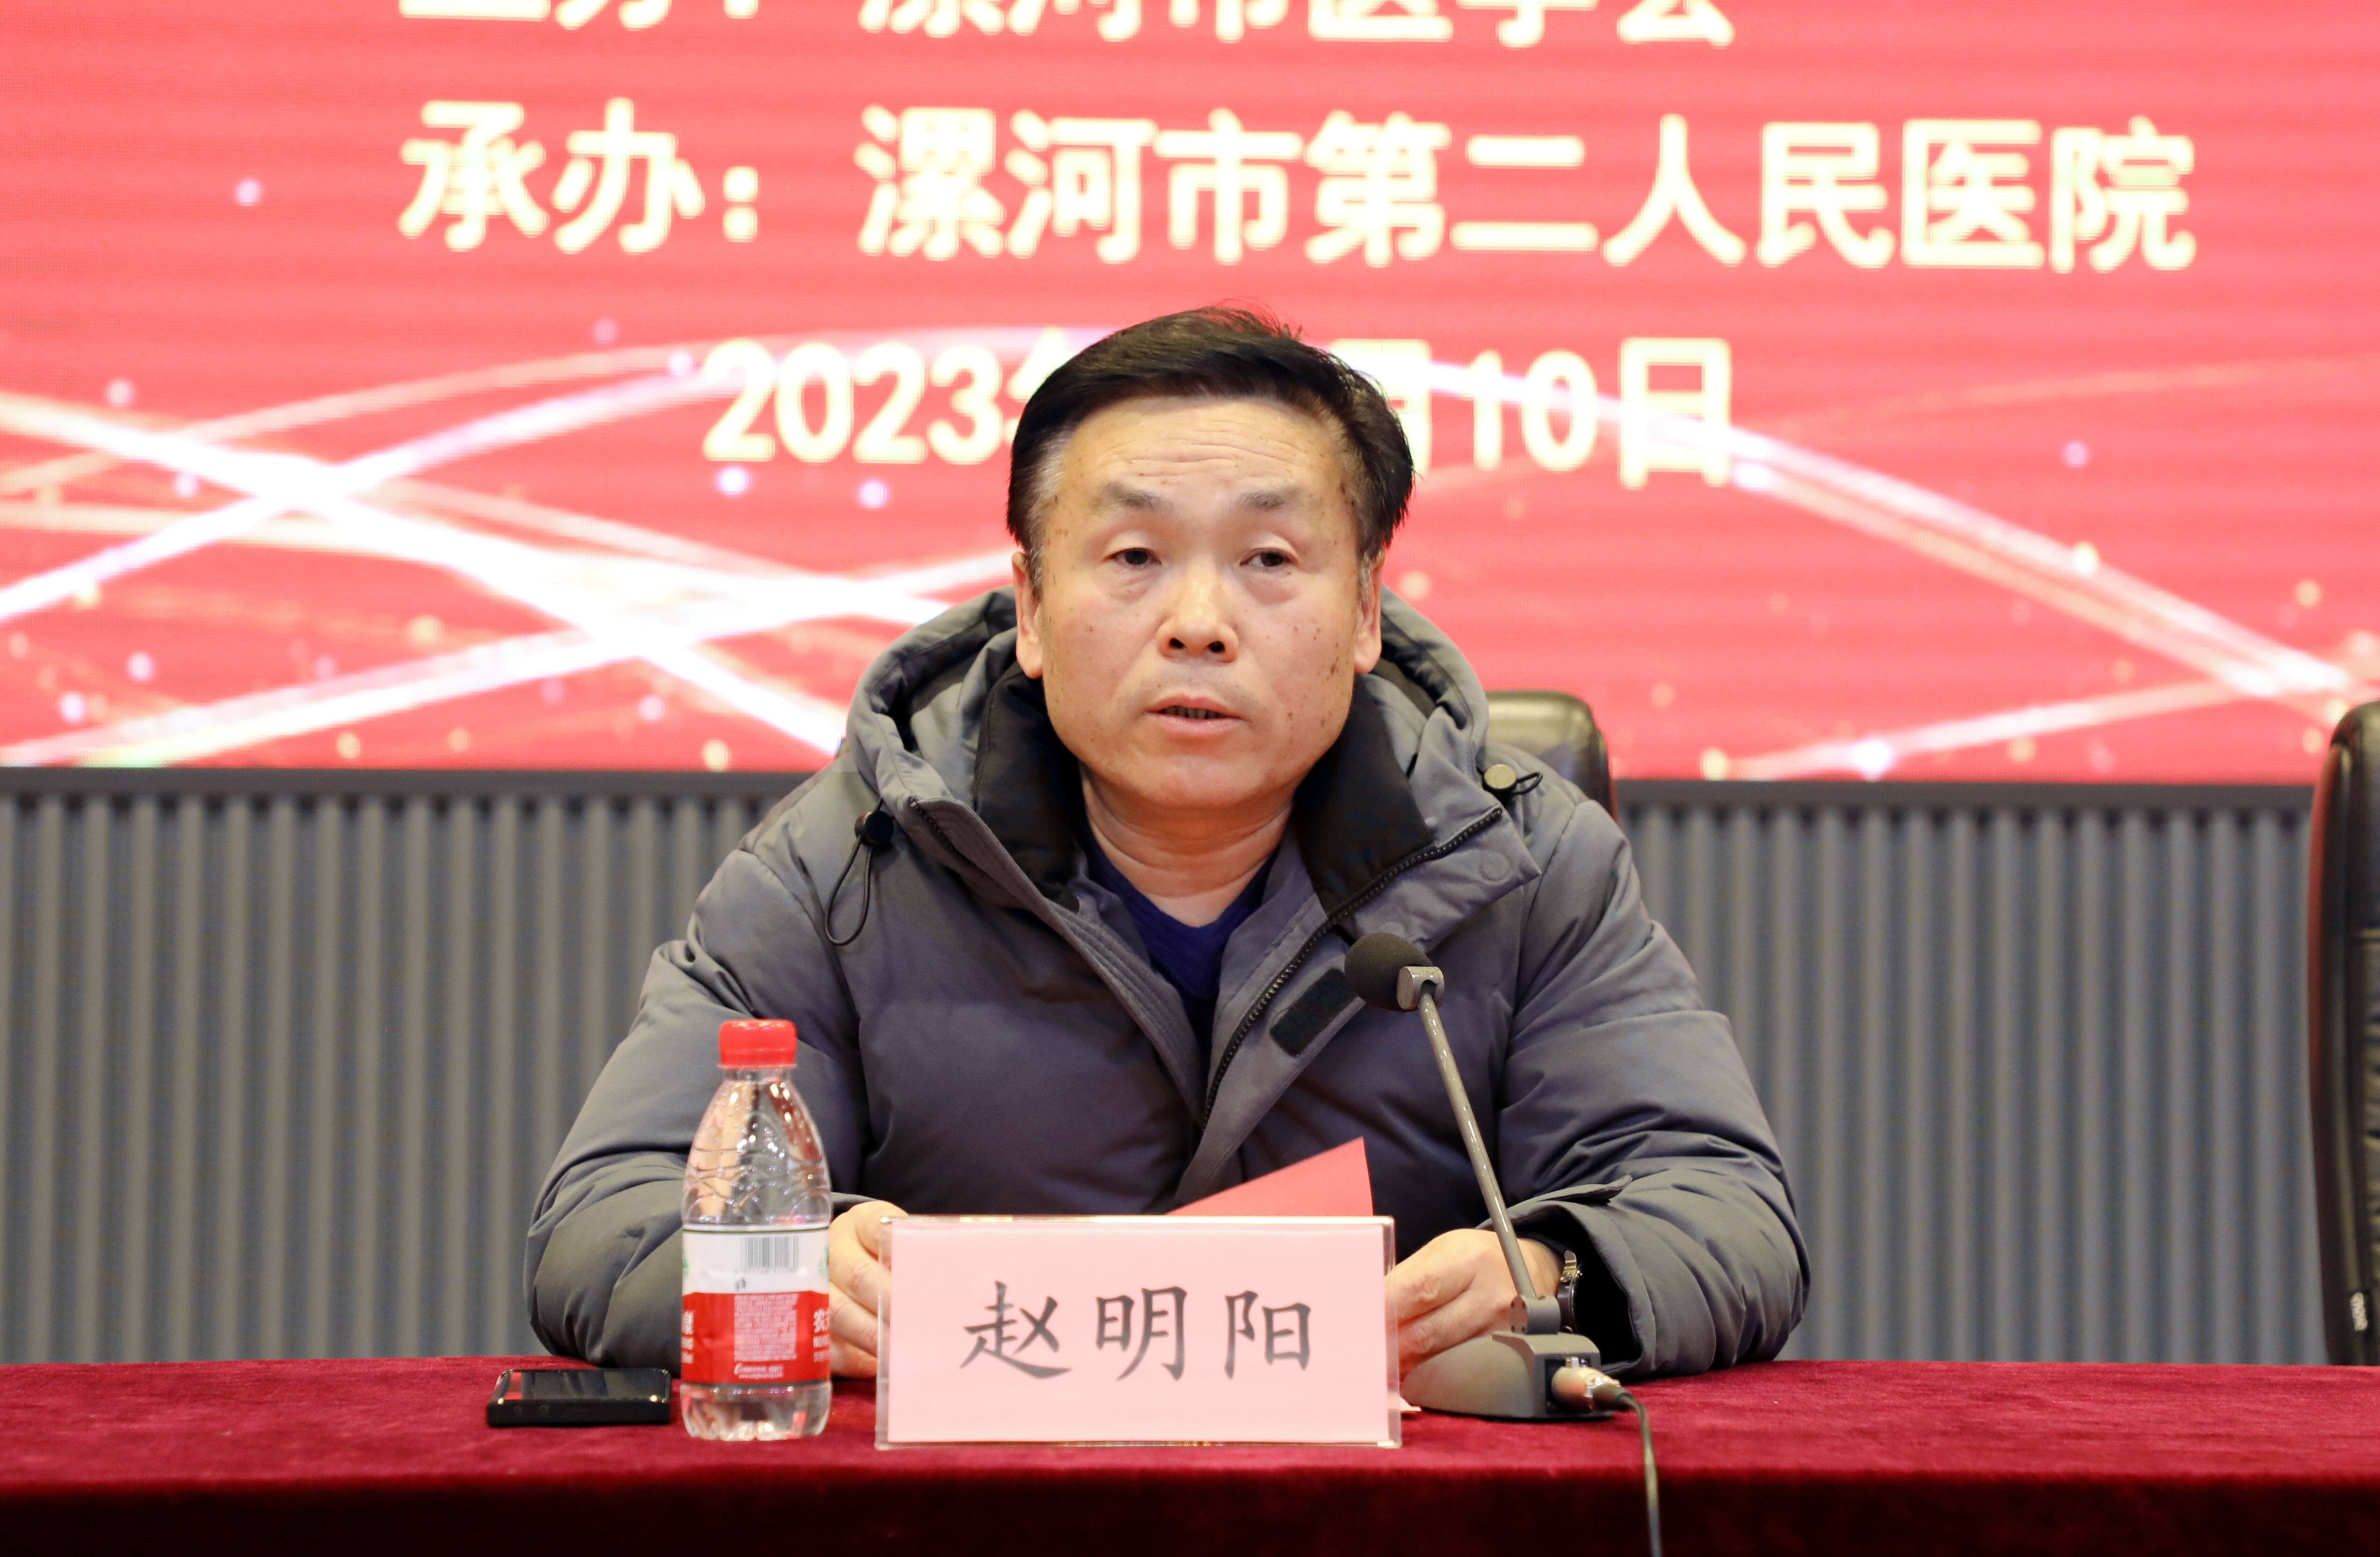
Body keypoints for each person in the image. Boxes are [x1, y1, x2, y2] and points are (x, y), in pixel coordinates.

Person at [526, 307, 1806, 1380]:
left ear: (1367, 610)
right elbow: (605, 1226)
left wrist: (1554, 1268)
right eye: (1134, 555)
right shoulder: (846, 866)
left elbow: (1721, 1208)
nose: (1199, 622)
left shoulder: (1520, 860)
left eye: (1269, 559)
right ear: (1031, 608)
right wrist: (804, 1270)